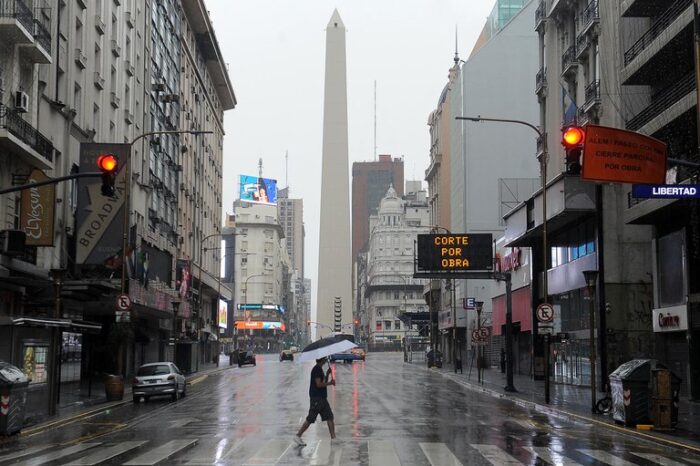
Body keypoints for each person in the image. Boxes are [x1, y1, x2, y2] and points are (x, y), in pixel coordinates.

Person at [293, 357, 336, 446]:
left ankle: (334, 439)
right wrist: (330, 383)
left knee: (330, 417)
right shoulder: (316, 369)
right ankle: (298, 436)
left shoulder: (319, 369)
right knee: (310, 419)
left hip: (322, 399)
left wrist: (327, 374)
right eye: (325, 358)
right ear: (322, 359)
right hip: (317, 399)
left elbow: (323, 382)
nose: (326, 359)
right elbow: (319, 384)